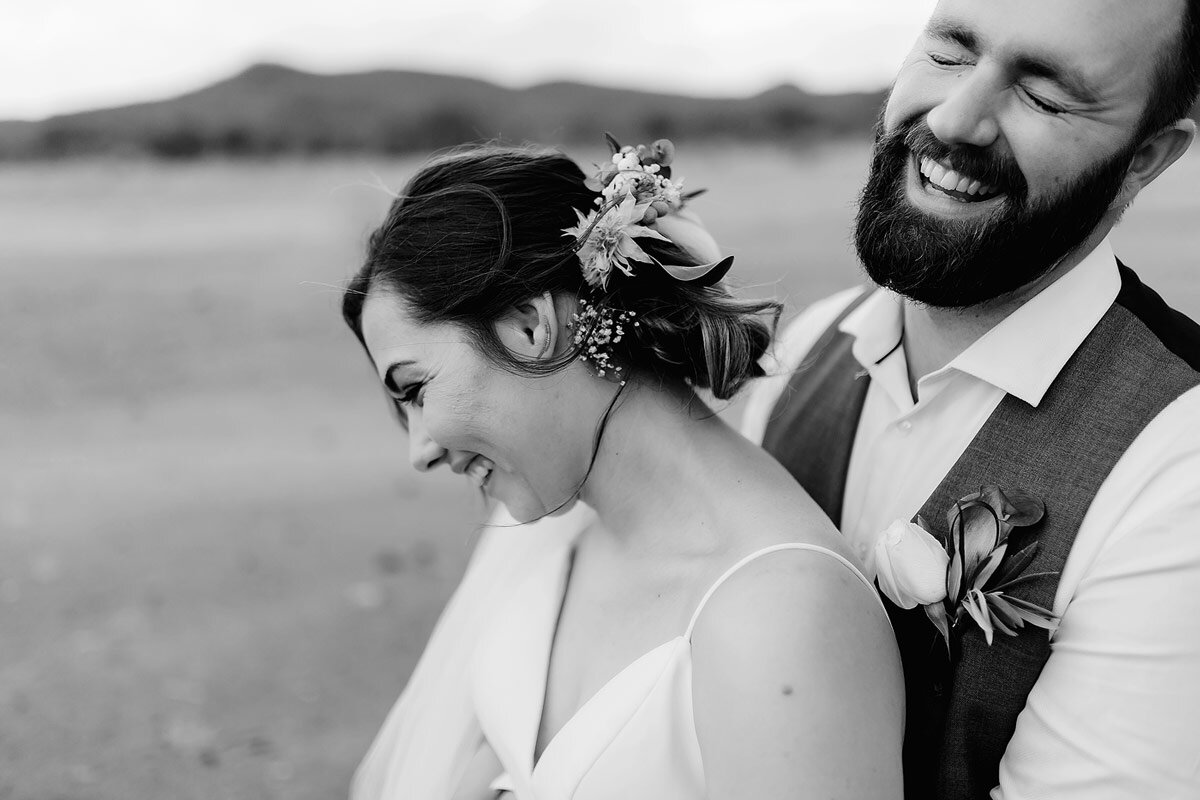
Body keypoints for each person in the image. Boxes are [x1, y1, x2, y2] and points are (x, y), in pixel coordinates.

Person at [342, 143, 903, 799]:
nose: (420, 451)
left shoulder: (781, 618)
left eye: (415, 388)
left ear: (528, 325)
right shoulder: (555, 529)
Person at [743, 0, 1200, 798]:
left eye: (1046, 96)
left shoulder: (1181, 464)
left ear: (1146, 157)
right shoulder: (808, 347)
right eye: (951, 52)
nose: (955, 119)